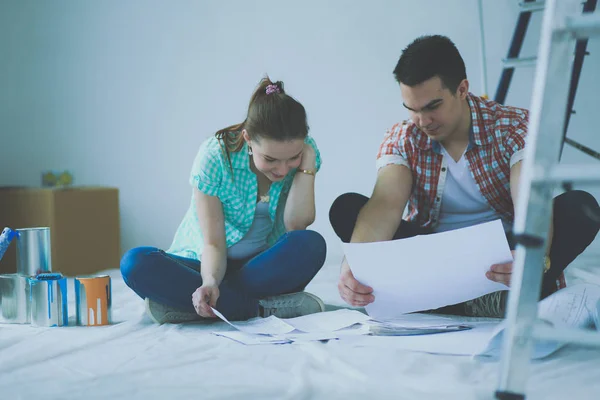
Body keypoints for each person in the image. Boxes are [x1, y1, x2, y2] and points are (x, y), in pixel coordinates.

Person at [329, 35, 600, 317]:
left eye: (432, 106)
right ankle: (485, 301)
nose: (423, 121)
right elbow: (384, 204)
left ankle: (499, 289)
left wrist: (531, 256)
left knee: (581, 208)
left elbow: (531, 201)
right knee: (347, 208)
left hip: (502, 255)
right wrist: (357, 262)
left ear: (462, 89)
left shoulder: (512, 127)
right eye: (412, 110)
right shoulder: (404, 137)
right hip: (432, 259)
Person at [121, 77, 327, 324]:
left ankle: (193, 307)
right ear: (248, 139)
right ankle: (258, 308)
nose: (282, 170)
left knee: (310, 244)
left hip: (260, 267)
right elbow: (213, 244)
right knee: (135, 263)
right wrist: (209, 282)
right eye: (270, 159)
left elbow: (296, 224)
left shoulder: (306, 153)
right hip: (205, 263)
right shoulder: (215, 156)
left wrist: (306, 162)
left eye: (291, 157)